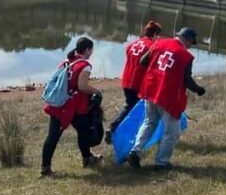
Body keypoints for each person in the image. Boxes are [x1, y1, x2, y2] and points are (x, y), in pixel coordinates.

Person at [127, 27, 206, 171]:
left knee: (149, 122)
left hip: (150, 89)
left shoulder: (158, 43)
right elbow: (186, 79)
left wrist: (157, 70)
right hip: (169, 96)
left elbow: (143, 62)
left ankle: (135, 152)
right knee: (171, 133)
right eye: (191, 43)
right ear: (187, 39)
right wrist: (198, 89)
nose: (190, 46)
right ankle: (161, 163)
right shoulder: (185, 56)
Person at [40, 37, 103, 177]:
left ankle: (87, 158)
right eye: (91, 49)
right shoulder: (85, 65)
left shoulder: (67, 61)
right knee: (55, 136)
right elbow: (82, 86)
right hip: (68, 106)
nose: (92, 52)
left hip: (62, 103)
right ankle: (46, 168)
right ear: (87, 49)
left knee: (82, 130)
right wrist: (96, 91)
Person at [105, 20, 162, 144]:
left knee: (131, 106)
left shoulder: (132, 45)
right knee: (135, 108)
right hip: (138, 82)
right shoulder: (151, 47)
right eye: (158, 35)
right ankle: (115, 129)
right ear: (155, 34)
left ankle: (123, 131)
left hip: (127, 80)